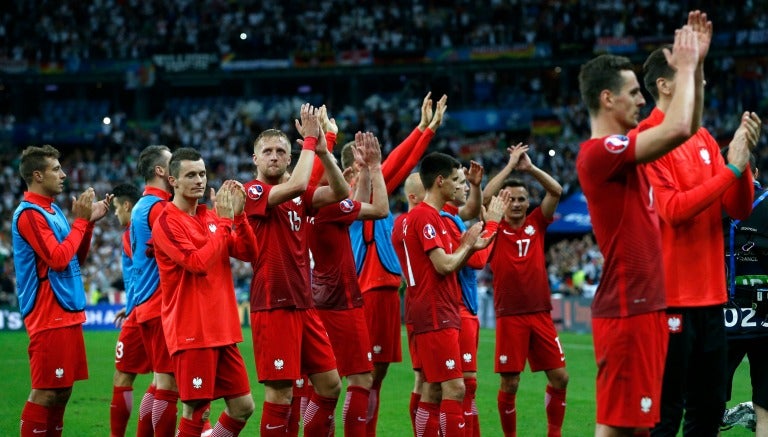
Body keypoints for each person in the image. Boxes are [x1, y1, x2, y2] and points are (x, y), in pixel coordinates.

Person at [635, 11, 762, 436]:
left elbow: (739, 209)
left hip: (711, 299)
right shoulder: (649, 139)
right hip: (670, 300)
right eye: (688, 73)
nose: (699, 82)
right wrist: (729, 171)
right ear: (665, 85)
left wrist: (739, 165)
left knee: (709, 411)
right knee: (667, 413)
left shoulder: (704, 137)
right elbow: (673, 211)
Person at [575, 25, 700, 437]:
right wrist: (683, 70)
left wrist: (693, 72)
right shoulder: (601, 152)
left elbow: (688, 127)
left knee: (639, 427)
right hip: (628, 308)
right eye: (633, 93)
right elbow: (678, 129)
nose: (642, 100)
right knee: (616, 426)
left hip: (644, 307)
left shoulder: (623, 154)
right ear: (607, 98)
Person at [343, 93, 446, 436]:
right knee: (366, 376)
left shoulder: (380, 194)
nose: (376, 170)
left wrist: (425, 131)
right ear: (349, 173)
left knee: (379, 375)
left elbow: (397, 169)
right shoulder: (354, 200)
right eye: (364, 166)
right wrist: (422, 131)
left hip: (387, 293)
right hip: (368, 291)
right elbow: (394, 166)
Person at [244, 103, 350, 436]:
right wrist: (311, 141)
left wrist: (323, 150)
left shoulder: (298, 198)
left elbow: (341, 192)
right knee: (281, 393)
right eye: (267, 152)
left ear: (289, 158)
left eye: (280, 151)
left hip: (304, 305)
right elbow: (298, 183)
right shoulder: (253, 192)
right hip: (273, 304)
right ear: (256, 159)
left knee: (331, 386)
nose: (274, 156)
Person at [151, 147, 258, 436]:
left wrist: (241, 217)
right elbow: (197, 263)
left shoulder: (210, 217)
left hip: (222, 329)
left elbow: (249, 253)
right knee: (197, 411)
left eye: (202, 173)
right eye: (190, 175)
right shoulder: (166, 222)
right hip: (192, 331)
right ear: (173, 181)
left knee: (243, 406)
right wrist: (224, 222)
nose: (199, 180)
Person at [12, 144, 110, 436]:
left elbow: (73, 260)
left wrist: (87, 225)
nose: (64, 174)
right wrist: (79, 221)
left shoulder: (51, 210)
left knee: (62, 391)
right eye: (56, 169)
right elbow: (56, 260)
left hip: (66, 309)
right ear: (38, 175)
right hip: (47, 312)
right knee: (45, 391)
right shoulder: (29, 214)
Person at [395, 152, 493, 437]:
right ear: (440, 182)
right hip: (436, 310)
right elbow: (445, 264)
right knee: (455, 387)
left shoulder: (419, 217)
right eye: (455, 180)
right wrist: (470, 245)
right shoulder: (427, 217)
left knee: (433, 388)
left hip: (429, 308)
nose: (459, 185)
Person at [484, 145, 568, 437]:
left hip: (540, 314)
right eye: (511, 199)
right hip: (510, 316)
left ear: (528, 201)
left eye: (521, 199)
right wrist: (508, 167)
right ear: (502, 202)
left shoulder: (536, 223)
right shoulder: (492, 227)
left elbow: (555, 191)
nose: (517, 204)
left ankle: (553, 434)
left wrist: (529, 169)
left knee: (561, 378)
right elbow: (483, 197)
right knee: (510, 384)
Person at [308, 131, 389, 435]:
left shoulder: (310, 206)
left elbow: (352, 209)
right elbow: (379, 209)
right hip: (340, 300)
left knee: (321, 383)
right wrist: (376, 166)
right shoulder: (328, 208)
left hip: (316, 298)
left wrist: (364, 172)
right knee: (360, 379)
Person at [129, 144, 180, 436]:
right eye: (173, 162)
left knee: (159, 381)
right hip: (160, 304)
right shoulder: (160, 208)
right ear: (161, 171)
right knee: (168, 383)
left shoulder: (141, 205)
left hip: (146, 302)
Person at [720, 152, 768, 435]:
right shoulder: (713, 205)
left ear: (757, 173)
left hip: (758, 319)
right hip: (723, 316)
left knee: (765, 404)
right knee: (708, 403)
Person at [108, 182, 152, 437]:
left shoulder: (135, 230)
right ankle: (202, 425)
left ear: (126, 205)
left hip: (145, 310)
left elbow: (140, 273)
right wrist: (128, 305)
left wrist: (133, 305)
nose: (115, 213)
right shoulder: (140, 227)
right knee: (166, 380)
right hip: (142, 307)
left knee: (124, 376)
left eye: (116, 208)